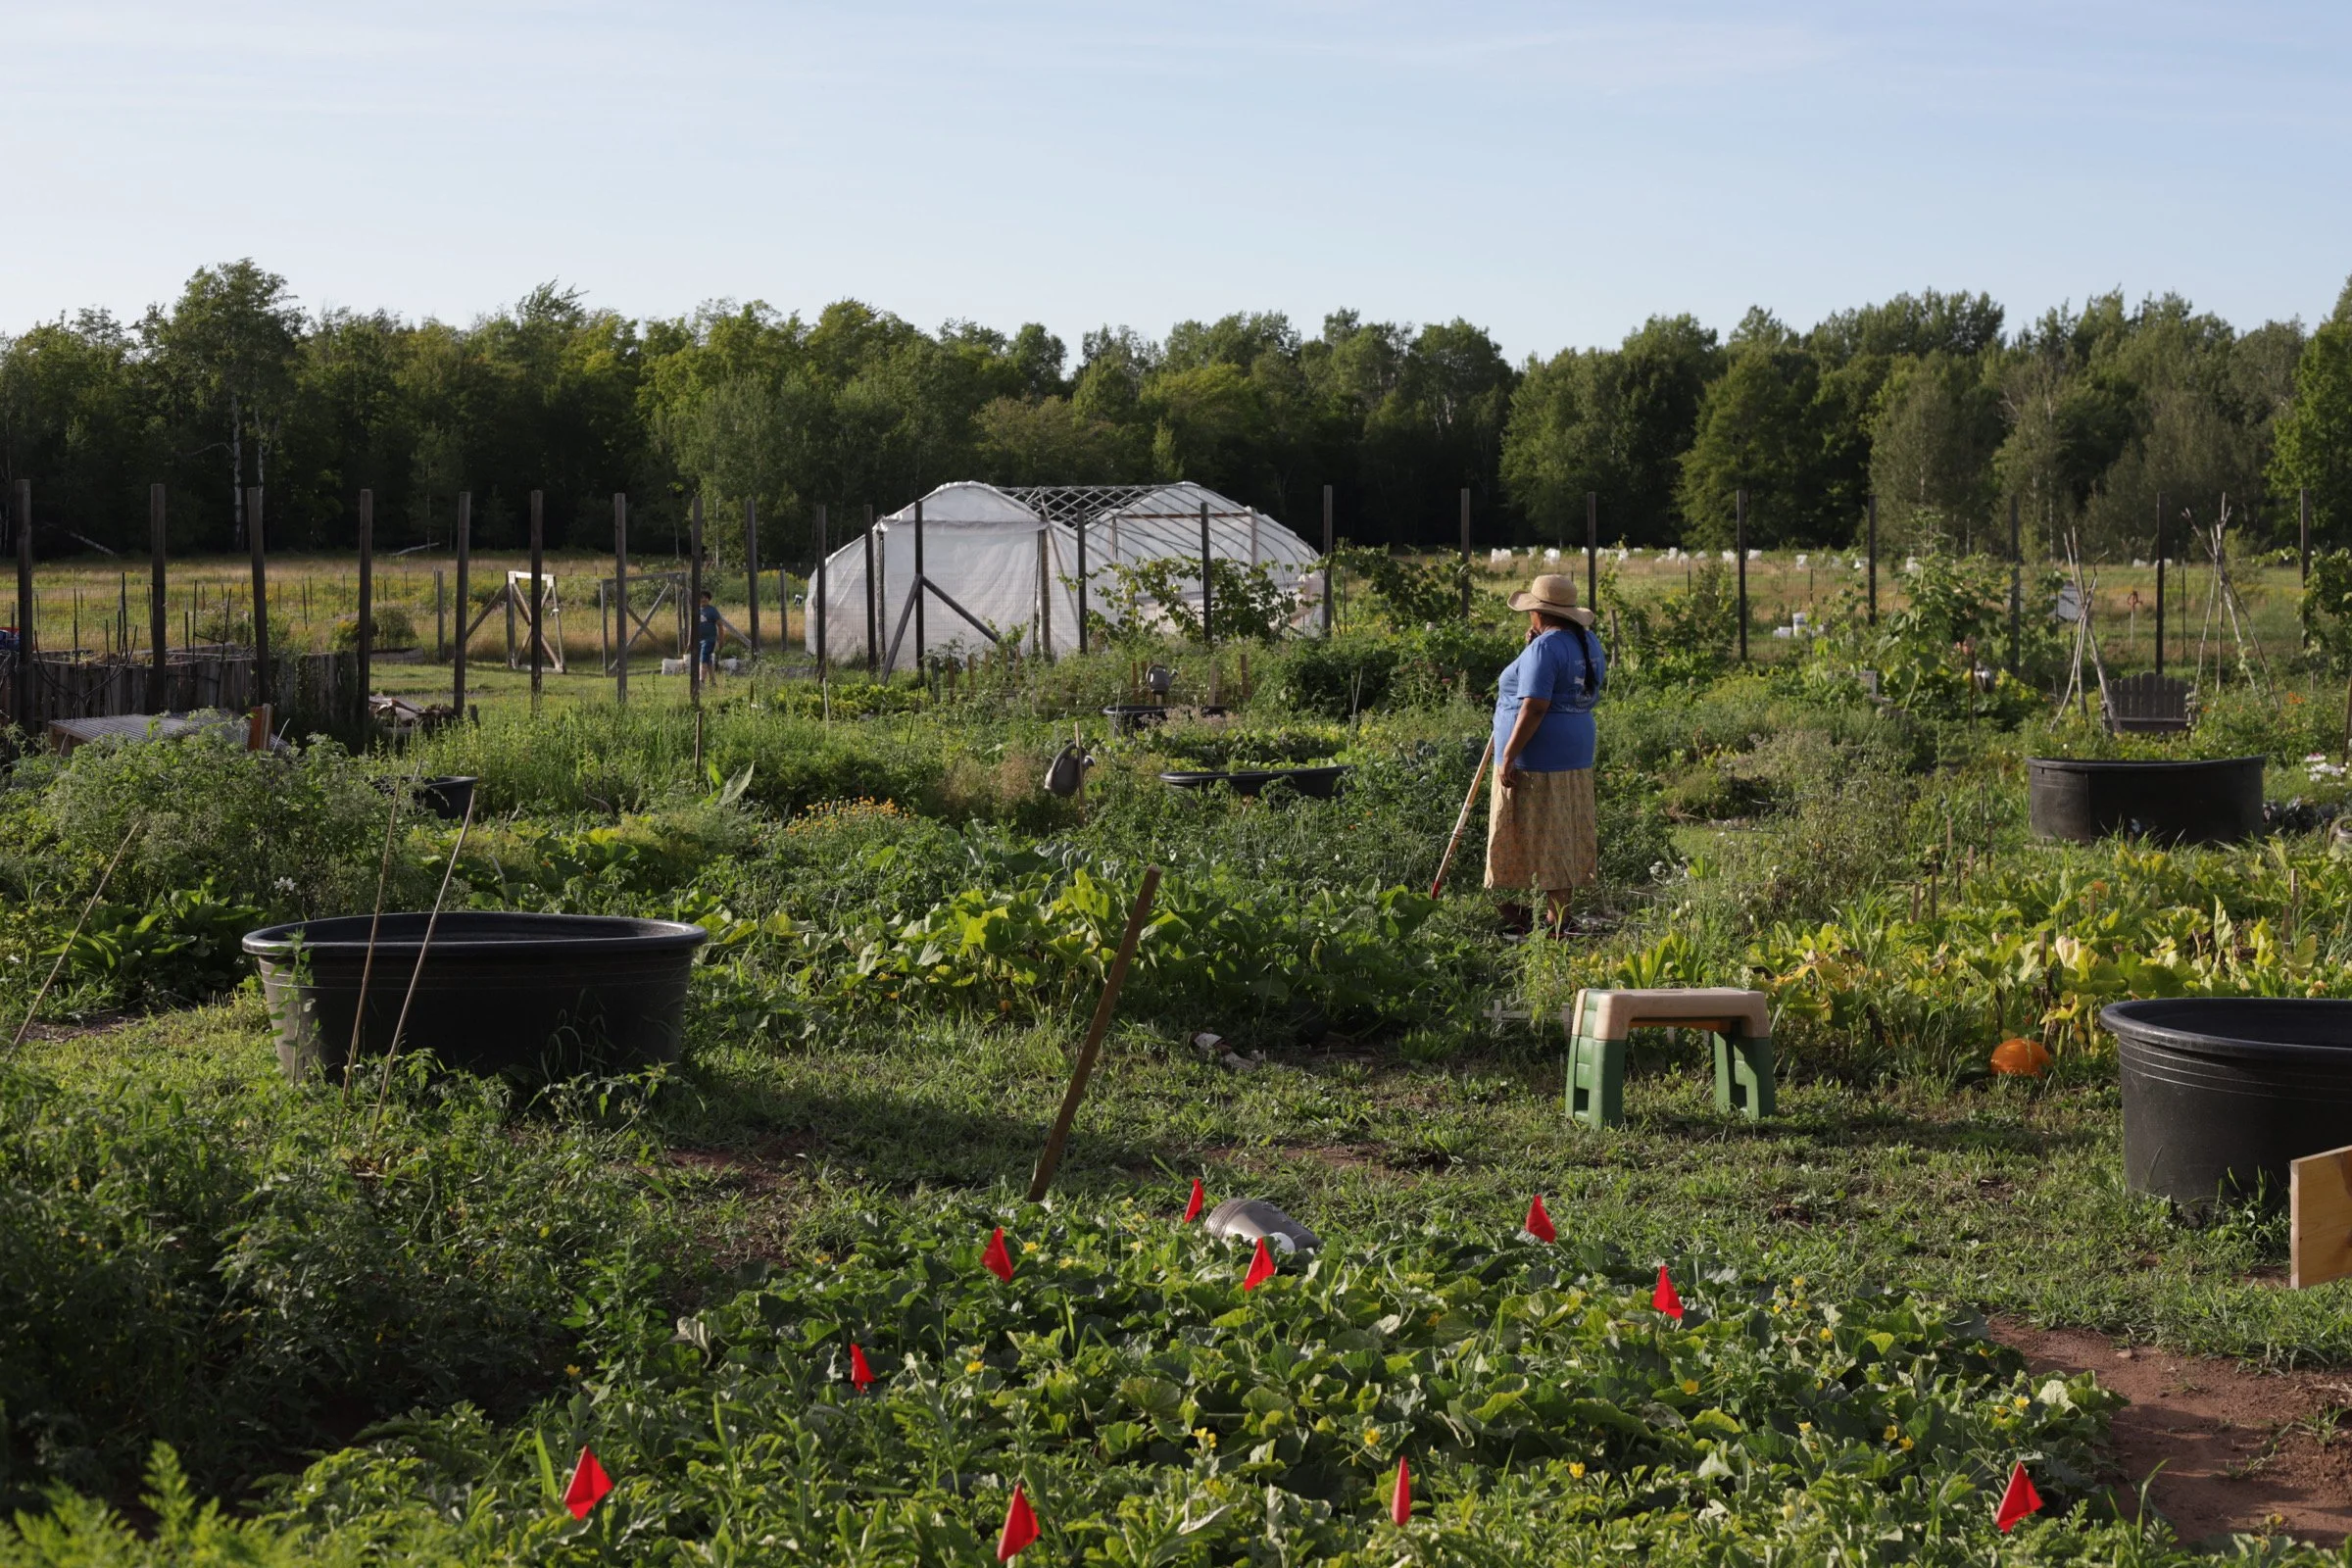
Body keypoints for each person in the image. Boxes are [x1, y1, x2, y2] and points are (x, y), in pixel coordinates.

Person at [1486, 573, 1607, 937]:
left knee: (1540, 832)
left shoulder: (1546, 648)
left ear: (1538, 612)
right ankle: (1556, 916)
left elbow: (1535, 706)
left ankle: (1549, 918)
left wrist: (1510, 754)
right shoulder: (1585, 641)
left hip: (1538, 756)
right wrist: (1532, 647)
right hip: (1573, 750)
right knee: (1561, 830)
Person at [695, 590, 722, 688]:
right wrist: (690, 641)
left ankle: (701, 681)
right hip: (699, 640)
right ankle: (713, 682)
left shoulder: (712, 610)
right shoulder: (697, 611)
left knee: (703, 658)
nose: (703, 599)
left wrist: (721, 639)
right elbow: (692, 627)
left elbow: (720, 625)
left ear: (709, 599)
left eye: (705, 597)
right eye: (701, 597)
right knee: (708, 660)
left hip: (709, 639)